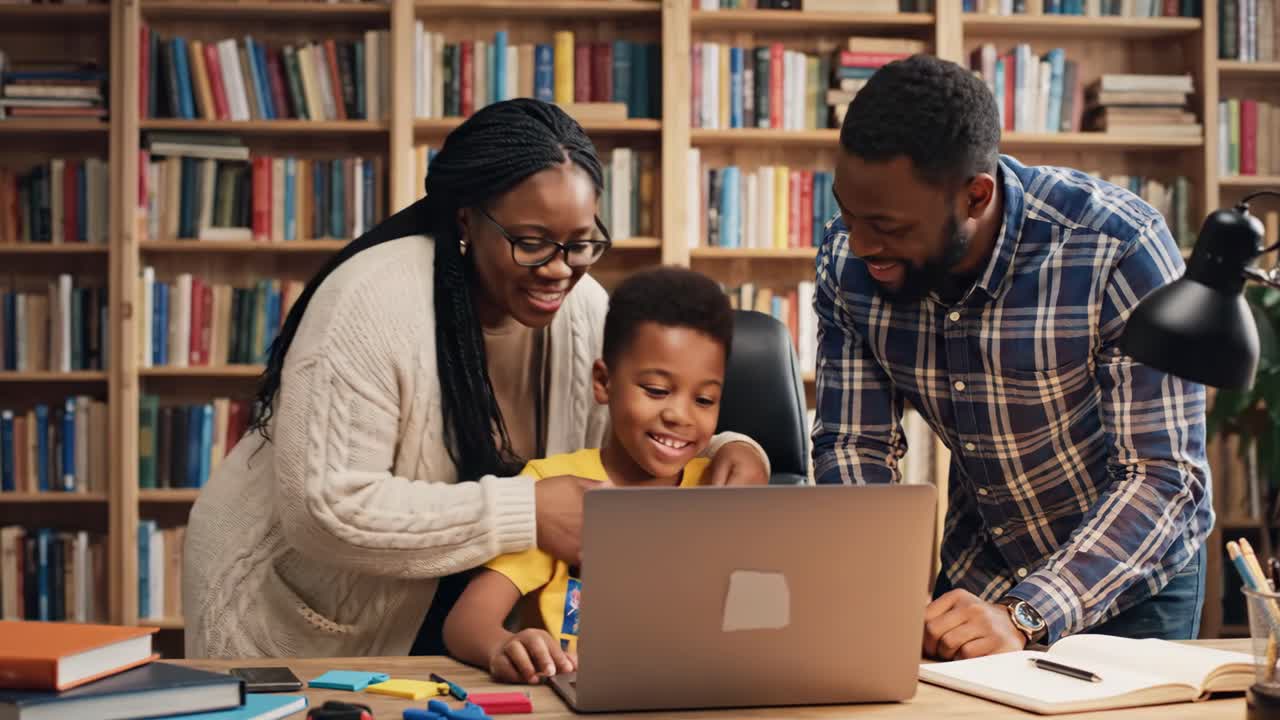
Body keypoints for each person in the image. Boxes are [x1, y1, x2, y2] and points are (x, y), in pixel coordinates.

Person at [182, 99, 769, 659]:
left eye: (581, 242)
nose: (561, 268)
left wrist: (730, 449)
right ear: (468, 219)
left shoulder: (585, 309)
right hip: (297, 620)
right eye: (532, 243)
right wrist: (527, 511)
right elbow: (325, 510)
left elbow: (630, 415)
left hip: (464, 611)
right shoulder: (372, 301)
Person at [813, 55, 1212, 660]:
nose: (862, 244)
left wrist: (1029, 613)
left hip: (1131, 585)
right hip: (978, 572)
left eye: (889, 226)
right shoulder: (849, 261)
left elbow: (1162, 477)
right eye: (849, 210)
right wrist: (882, 589)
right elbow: (853, 445)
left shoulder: (1115, 248)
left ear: (976, 196)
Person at [442, 267, 734, 684]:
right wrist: (501, 644)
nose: (679, 416)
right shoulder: (554, 489)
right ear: (603, 381)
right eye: (655, 390)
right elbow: (466, 623)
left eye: (704, 399)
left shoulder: (723, 489)